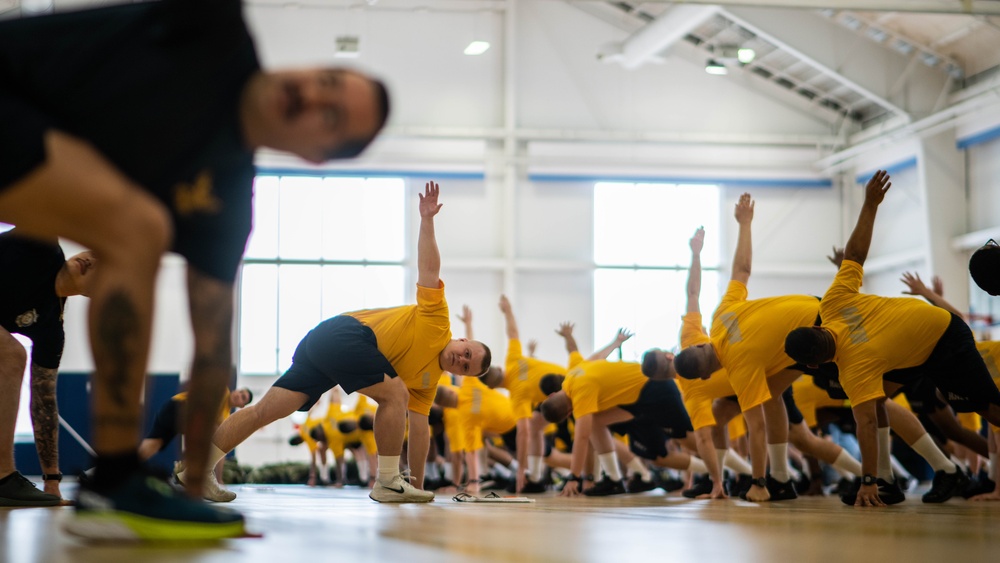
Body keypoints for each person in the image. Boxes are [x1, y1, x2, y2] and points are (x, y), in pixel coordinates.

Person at [0, 0, 389, 540]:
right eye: (326, 79)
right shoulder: (213, 28)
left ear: (315, 157)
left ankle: (115, 485)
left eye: (331, 116)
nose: (312, 95)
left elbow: (212, 348)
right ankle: (113, 482)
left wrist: (192, 490)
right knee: (137, 227)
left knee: (137, 230)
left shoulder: (226, 203)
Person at [183, 182, 491, 504]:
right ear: (462, 339)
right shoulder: (437, 319)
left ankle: (195, 468)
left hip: (324, 349)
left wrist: (418, 485)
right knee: (394, 393)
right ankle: (387, 481)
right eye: (466, 353)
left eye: (466, 367)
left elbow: (419, 428)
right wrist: (427, 220)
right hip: (345, 335)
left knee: (265, 411)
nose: (461, 360)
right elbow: (429, 268)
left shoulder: (427, 384)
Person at [784, 170, 1000, 507]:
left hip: (945, 339)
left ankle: (915, 475)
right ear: (816, 326)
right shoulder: (832, 304)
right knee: (879, 400)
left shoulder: (852, 369)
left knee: (990, 412)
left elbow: (865, 425)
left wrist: (865, 482)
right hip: (917, 344)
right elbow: (855, 254)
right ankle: (894, 479)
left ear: (814, 363)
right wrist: (870, 203)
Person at [673, 194, 820, 502]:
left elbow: (757, 428)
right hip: (814, 306)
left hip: (821, 333)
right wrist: (745, 223)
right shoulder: (719, 319)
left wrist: (757, 483)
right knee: (773, 394)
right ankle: (780, 477)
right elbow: (742, 269)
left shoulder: (736, 369)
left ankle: (771, 480)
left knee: (866, 404)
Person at [0, 229, 95, 506]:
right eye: (95, 254)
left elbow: (44, 403)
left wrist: (51, 481)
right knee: (11, 355)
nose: (92, 260)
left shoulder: (51, 328)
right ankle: (3, 479)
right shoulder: (43, 246)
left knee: (8, 358)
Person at [138, 385, 253, 494]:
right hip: (176, 407)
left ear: (242, 405)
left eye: (243, 397)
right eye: (240, 392)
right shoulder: (223, 391)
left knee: (153, 444)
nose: (239, 395)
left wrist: (219, 479)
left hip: (178, 418)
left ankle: (126, 467)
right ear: (235, 390)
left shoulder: (225, 418)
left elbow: (220, 449)